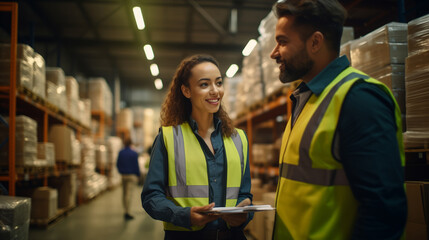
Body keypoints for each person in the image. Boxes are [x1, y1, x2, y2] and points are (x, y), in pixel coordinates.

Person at [269, 0, 407, 239]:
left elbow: (384, 211)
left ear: (315, 42)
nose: (274, 53)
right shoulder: (308, 98)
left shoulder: (360, 99)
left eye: (282, 42)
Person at [141, 54, 253, 240]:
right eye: (204, 84)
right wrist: (185, 216)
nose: (215, 91)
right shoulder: (168, 138)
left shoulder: (238, 138)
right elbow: (151, 197)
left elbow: (245, 193)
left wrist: (244, 213)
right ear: (186, 91)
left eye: (218, 83)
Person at [117, 138, 140, 220]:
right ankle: (128, 212)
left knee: (124, 193)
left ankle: (125, 210)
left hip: (123, 175)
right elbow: (136, 165)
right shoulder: (134, 153)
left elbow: (118, 163)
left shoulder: (121, 153)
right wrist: (138, 174)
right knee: (129, 194)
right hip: (132, 176)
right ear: (131, 143)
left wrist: (121, 171)